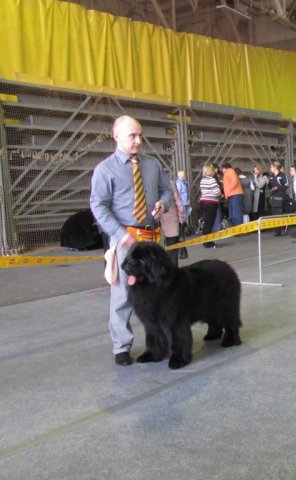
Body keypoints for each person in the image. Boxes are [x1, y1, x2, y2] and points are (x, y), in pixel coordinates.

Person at [90, 115, 173, 366]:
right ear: (116, 137)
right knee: (123, 296)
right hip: (126, 242)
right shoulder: (105, 170)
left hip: (153, 239)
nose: (139, 140)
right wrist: (119, 234)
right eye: (132, 136)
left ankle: (162, 341)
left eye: (140, 135)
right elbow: (98, 205)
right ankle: (122, 348)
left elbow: (166, 190)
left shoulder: (152, 164)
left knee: (163, 291)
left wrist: (162, 203)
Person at [160, 180, 186, 266]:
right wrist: (181, 219)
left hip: (155, 226)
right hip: (171, 223)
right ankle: (174, 275)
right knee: (173, 253)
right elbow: (178, 202)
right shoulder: (170, 183)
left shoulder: (147, 184)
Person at [199, 163, 221, 248]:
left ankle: (206, 241)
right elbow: (217, 192)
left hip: (204, 202)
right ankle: (208, 242)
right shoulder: (211, 180)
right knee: (210, 223)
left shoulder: (202, 180)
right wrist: (219, 192)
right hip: (211, 203)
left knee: (206, 222)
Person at [268, 161, 289, 236]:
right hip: (273, 197)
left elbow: (286, 185)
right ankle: (277, 231)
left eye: (271, 167)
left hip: (280, 197)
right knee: (274, 214)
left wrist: (278, 188)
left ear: (275, 167)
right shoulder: (271, 176)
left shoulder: (282, 175)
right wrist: (268, 183)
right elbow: (270, 187)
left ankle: (281, 230)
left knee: (279, 214)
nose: (270, 169)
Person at [221, 163, 244, 227]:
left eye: (222, 169)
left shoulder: (229, 172)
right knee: (234, 213)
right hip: (234, 194)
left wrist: (228, 191)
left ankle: (239, 230)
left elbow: (234, 182)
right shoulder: (230, 172)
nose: (222, 170)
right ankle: (236, 229)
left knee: (236, 213)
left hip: (234, 194)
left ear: (224, 168)